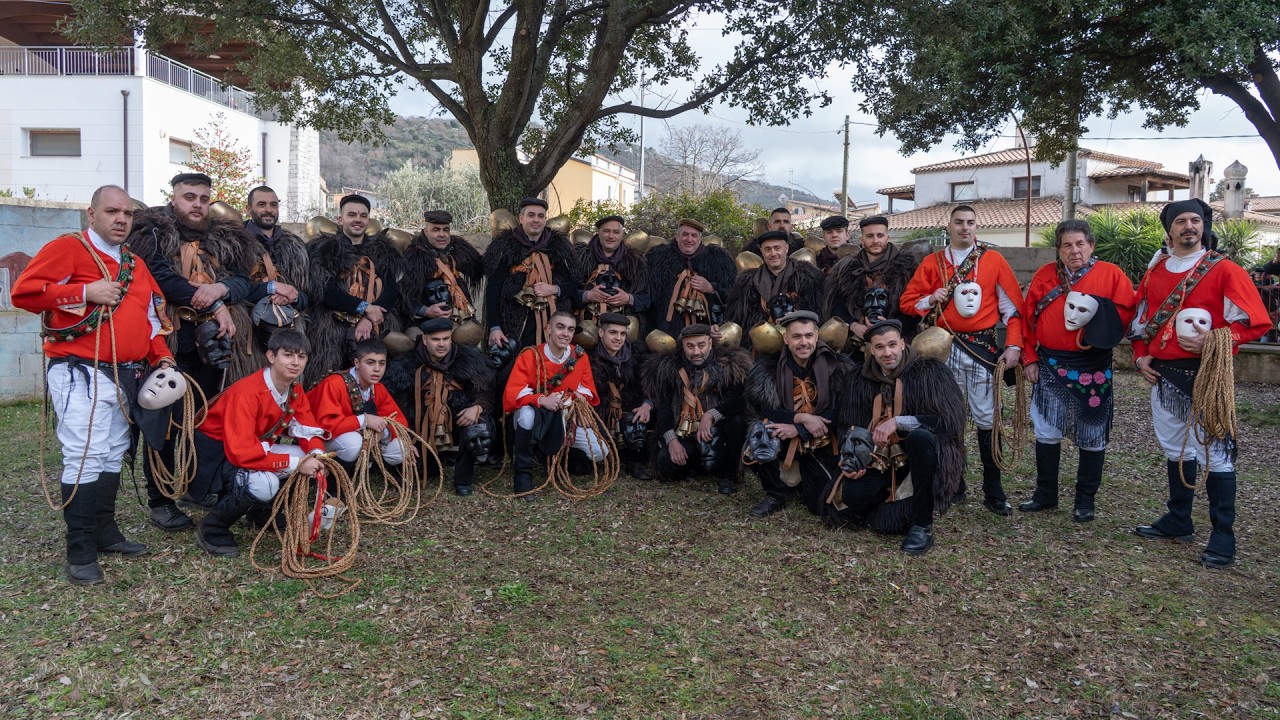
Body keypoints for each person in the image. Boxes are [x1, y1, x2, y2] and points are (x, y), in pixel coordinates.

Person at [12, 185, 176, 585]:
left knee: (111, 452)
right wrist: (85, 291)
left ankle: (105, 533)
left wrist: (162, 357)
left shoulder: (135, 264)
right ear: (92, 214)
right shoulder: (69, 249)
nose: (121, 219)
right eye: (112, 211)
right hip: (79, 369)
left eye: (127, 214)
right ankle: (80, 549)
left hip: (127, 373)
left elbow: (153, 322)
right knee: (85, 454)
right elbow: (23, 293)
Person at [1130, 199, 1270, 568]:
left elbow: (1256, 322)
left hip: (1208, 375)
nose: (1188, 227)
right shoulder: (1156, 271)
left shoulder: (1225, 270)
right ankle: (1178, 520)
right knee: (1175, 449)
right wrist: (1141, 354)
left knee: (1216, 455)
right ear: (1169, 230)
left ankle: (1223, 536)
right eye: (1180, 221)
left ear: (1204, 226)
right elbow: (1141, 320)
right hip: (1163, 374)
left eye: (1195, 220)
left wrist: (1216, 340)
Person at [128, 172, 253, 531]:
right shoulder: (152, 233)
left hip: (213, 346)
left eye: (203, 198)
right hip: (168, 342)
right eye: (189, 197)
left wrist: (221, 290)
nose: (197, 205)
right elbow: (158, 277)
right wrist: (214, 303)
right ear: (173, 198)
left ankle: (197, 487)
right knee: (162, 421)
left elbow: (244, 280)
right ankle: (160, 500)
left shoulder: (225, 237)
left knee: (206, 419)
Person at [900, 205, 1026, 515]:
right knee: (947, 417)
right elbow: (907, 303)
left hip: (981, 348)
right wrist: (932, 298)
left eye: (970, 223)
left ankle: (994, 491)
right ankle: (953, 483)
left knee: (987, 418)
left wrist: (1014, 346)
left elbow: (1013, 308)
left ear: (976, 226)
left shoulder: (993, 260)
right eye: (959, 222)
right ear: (949, 225)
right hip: (943, 347)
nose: (965, 228)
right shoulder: (933, 263)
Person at [1018, 220, 1137, 521]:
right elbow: (1026, 318)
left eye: (1080, 244)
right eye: (1067, 245)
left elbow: (1125, 315)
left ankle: (1085, 500)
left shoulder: (1112, 275)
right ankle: (1045, 495)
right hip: (1049, 363)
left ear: (1091, 245)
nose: (1074, 251)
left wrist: (1096, 324)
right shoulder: (1045, 275)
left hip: (1092, 366)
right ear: (1058, 249)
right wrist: (1029, 358)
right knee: (1046, 430)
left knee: (1093, 432)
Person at [828, 320, 967, 555]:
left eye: (892, 344)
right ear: (871, 350)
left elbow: (948, 421)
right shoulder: (858, 379)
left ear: (903, 344)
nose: (887, 352)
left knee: (921, 438)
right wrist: (852, 458)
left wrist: (897, 422)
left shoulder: (929, 373)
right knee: (851, 499)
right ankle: (887, 498)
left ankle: (922, 526)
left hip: (920, 460)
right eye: (880, 347)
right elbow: (847, 427)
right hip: (880, 460)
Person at [193, 329, 327, 557]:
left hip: (247, 447)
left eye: (301, 356)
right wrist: (296, 463)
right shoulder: (247, 393)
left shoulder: (294, 389)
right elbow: (241, 453)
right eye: (288, 355)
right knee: (264, 484)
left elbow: (307, 429)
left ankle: (261, 512)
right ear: (271, 356)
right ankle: (212, 528)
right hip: (217, 456)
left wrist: (316, 453)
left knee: (310, 462)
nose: (295, 362)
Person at [743, 311, 851, 518]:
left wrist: (799, 429)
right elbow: (764, 409)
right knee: (762, 432)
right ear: (785, 338)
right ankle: (775, 494)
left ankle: (804, 481)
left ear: (817, 335)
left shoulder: (838, 366)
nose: (803, 342)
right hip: (784, 436)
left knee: (819, 505)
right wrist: (801, 418)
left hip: (823, 440)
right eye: (796, 336)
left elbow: (841, 411)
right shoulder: (768, 367)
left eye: (808, 336)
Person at [384, 317, 496, 496]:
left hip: (459, 420)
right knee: (417, 471)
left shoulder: (467, 359)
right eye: (436, 340)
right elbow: (397, 405)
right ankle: (426, 462)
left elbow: (485, 391)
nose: (442, 344)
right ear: (425, 339)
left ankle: (463, 479)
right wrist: (408, 435)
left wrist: (478, 407)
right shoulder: (406, 364)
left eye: (446, 339)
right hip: (420, 429)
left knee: (478, 429)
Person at [502, 310, 608, 497]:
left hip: (567, 414)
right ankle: (523, 475)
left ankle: (554, 460)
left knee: (600, 452)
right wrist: (542, 399)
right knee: (526, 416)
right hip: (536, 413)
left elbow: (588, 390)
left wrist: (570, 398)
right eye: (560, 327)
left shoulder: (579, 356)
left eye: (570, 329)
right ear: (548, 329)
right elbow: (513, 393)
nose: (565, 333)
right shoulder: (530, 356)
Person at [307, 193, 404, 386]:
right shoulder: (324, 249)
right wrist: (364, 308)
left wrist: (369, 318)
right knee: (328, 382)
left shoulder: (383, 251)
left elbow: (391, 292)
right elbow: (327, 291)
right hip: (332, 323)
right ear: (340, 219)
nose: (357, 220)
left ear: (368, 219)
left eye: (362, 215)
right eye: (352, 215)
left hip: (376, 322)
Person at [643, 324, 752, 495]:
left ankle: (727, 475)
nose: (696, 352)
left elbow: (739, 400)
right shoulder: (669, 368)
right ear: (683, 345)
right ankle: (697, 463)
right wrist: (672, 442)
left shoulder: (729, 365)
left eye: (701, 345)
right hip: (686, 434)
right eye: (690, 346)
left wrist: (711, 415)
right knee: (666, 464)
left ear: (710, 343)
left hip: (718, 433)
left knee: (737, 422)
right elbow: (664, 408)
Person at [483, 197, 578, 351]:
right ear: (521, 218)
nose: (536, 220)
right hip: (515, 324)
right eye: (531, 215)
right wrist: (494, 327)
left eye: (540, 216)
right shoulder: (504, 246)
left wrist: (554, 289)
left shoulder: (559, 247)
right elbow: (493, 289)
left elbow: (573, 285)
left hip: (552, 323)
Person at [307, 338, 407, 476]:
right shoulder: (334, 383)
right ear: (357, 363)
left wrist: (382, 433)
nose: (377, 369)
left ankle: (368, 470)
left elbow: (399, 422)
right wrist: (364, 421)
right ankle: (334, 479)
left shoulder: (378, 388)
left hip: (354, 437)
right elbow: (325, 426)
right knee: (353, 442)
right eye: (370, 363)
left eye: (381, 363)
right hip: (316, 439)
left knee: (402, 448)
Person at [824, 215, 919, 354]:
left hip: (897, 343)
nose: (875, 240)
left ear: (887, 237)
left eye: (880, 235)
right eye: (870, 236)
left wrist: (890, 326)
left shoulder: (907, 268)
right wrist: (853, 325)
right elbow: (835, 305)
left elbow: (915, 309)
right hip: (856, 344)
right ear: (862, 240)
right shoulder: (846, 269)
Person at [726, 230, 824, 349]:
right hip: (760, 347)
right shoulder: (747, 283)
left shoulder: (809, 278)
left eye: (777, 248)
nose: (773, 253)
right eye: (767, 249)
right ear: (761, 251)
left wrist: (796, 316)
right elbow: (735, 318)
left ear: (786, 248)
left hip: (800, 345)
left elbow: (819, 315)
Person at [242, 185, 311, 354]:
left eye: (273, 205)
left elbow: (306, 297)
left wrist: (291, 297)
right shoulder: (235, 242)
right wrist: (271, 289)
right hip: (246, 333)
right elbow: (233, 288)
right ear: (248, 208)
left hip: (288, 333)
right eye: (261, 205)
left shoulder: (295, 246)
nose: (268, 210)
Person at [587, 312, 653, 480]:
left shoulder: (637, 357)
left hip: (629, 410)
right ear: (601, 333)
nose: (618, 338)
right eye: (613, 333)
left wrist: (647, 405)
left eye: (623, 333)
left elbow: (650, 389)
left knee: (639, 418)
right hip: (600, 411)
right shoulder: (588, 358)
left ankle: (634, 461)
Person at [647, 219, 737, 337]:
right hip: (665, 332)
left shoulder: (718, 260)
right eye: (685, 234)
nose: (689, 239)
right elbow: (648, 295)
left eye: (694, 235)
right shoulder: (657, 259)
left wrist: (711, 288)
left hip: (705, 332)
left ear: (700, 239)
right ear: (677, 236)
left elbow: (732, 296)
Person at [400, 209, 483, 331]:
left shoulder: (458, 248)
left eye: (445, 230)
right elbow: (402, 294)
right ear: (426, 231)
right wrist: (425, 311)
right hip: (424, 324)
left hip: (459, 318)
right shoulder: (413, 257)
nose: (442, 234)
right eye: (436, 230)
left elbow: (480, 267)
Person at [573, 214, 650, 328]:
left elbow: (647, 299)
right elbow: (565, 293)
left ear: (621, 235)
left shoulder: (636, 263)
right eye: (606, 231)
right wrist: (587, 295)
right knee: (581, 345)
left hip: (622, 332)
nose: (611, 236)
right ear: (598, 233)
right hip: (585, 328)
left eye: (616, 232)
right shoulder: (579, 258)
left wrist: (628, 298)